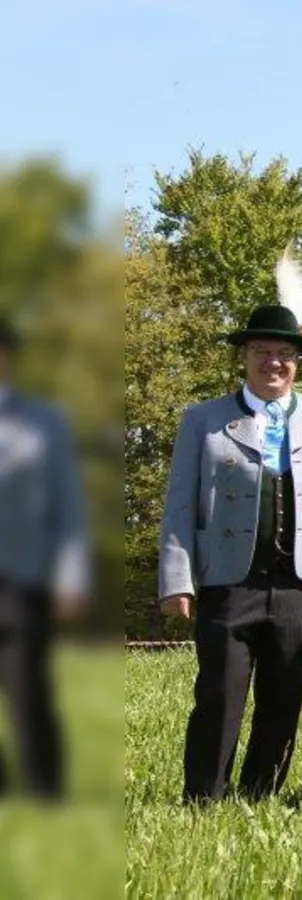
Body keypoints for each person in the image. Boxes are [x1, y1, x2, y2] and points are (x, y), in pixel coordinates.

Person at [157, 288, 302, 803]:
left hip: (300, 584)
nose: (274, 362)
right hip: (228, 579)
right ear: (243, 356)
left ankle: (258, 795)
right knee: (219, 694)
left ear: (297, 362)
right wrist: (177, 578)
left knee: (284, 698)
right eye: (263, 351)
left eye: (285, 354)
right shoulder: (203, 418)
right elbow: (180, 503)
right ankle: (203, 797)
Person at [0, 316, 88, 800]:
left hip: (22, 580)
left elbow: (68, 505)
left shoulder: (44, 421)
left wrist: (70, 578)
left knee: (28, 689)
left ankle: (45, 793)